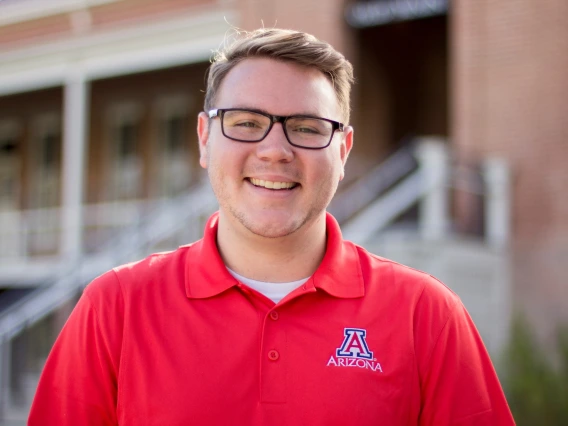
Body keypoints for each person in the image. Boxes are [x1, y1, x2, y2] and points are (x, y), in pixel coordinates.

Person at [29, 28, 515, 425]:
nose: (275, 150)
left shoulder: (425, 315)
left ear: (342, 152)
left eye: (305, 127)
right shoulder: (115, 308)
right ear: (204, 139)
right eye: (245, 122)